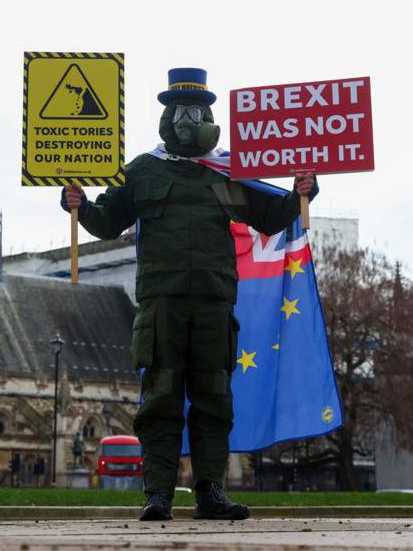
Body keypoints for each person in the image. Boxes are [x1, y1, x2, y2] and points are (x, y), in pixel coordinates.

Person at [62, 68, 317, 521]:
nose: (188, 120)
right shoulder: (142, 170)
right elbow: (108, 221)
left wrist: (302, 192)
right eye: (180, 111)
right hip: (161, 304)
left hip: (214, 304)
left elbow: (269, 216)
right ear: (166, 116)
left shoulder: (226, 170)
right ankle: (158, 494)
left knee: (213, 399)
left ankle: (210, 492)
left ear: (209, 116)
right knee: (160, 399)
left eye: (197, 112)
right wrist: (78, 206)